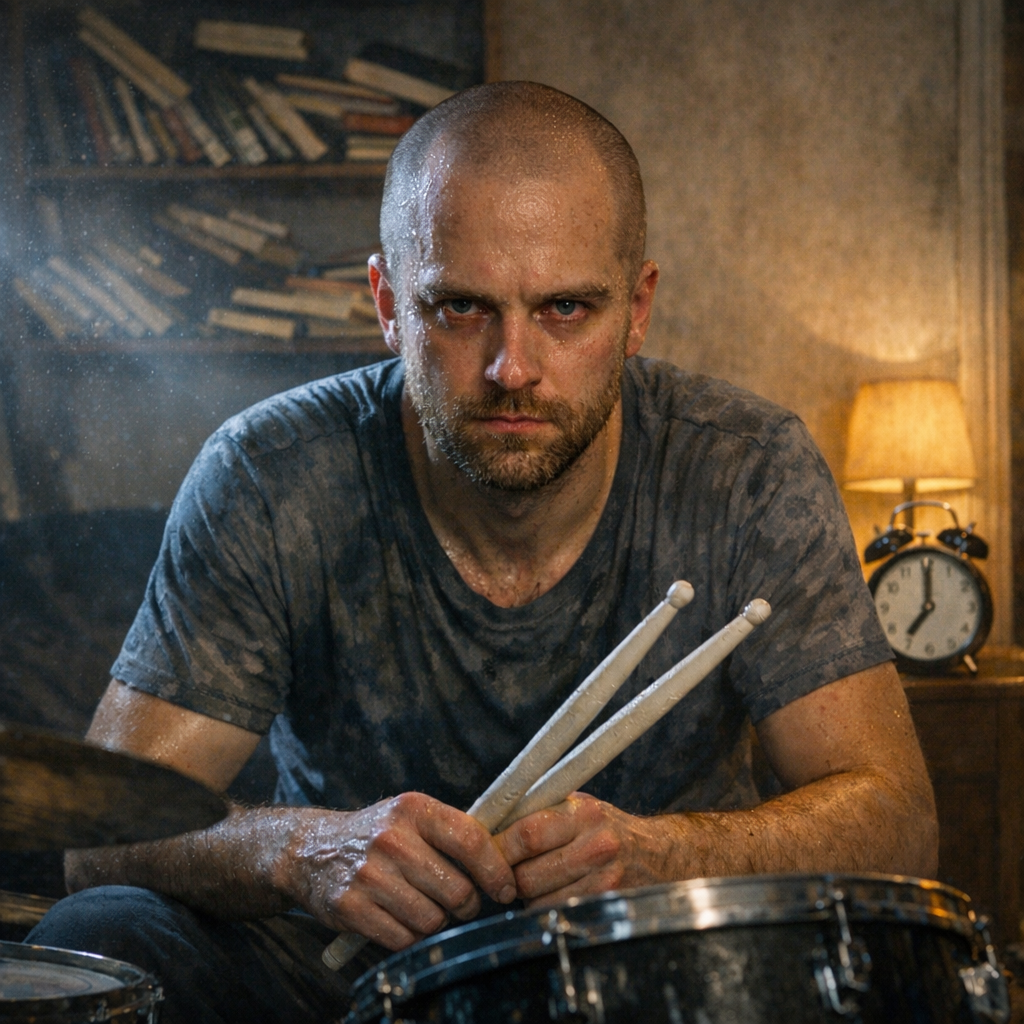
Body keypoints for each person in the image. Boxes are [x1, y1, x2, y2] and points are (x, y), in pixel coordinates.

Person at [30, 81, 937, 1024]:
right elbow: (100, 838)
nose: (513, 368)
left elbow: (900, 823)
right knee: (102, 932)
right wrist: (300, 851)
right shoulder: (271, 472)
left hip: (649, 978)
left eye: (566, 309)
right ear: (388, 303)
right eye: (461, 308)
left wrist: (667, 856)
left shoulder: (745, 470)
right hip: (343, 981)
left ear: (638, 308)